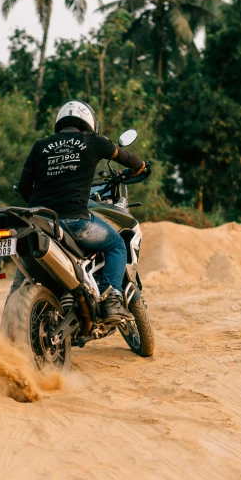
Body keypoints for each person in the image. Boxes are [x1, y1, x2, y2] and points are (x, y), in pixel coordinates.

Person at [11, 100, 146, 322]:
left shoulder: (40, 145)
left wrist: (43, 208)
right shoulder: (93, 141)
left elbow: (24, 187)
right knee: (116, 244)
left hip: (38, 224)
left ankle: (6, 337)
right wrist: (139, 166)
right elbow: (128, 158)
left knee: (20, 281)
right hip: (74, 221)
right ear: (88, 122)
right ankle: (112, 299)